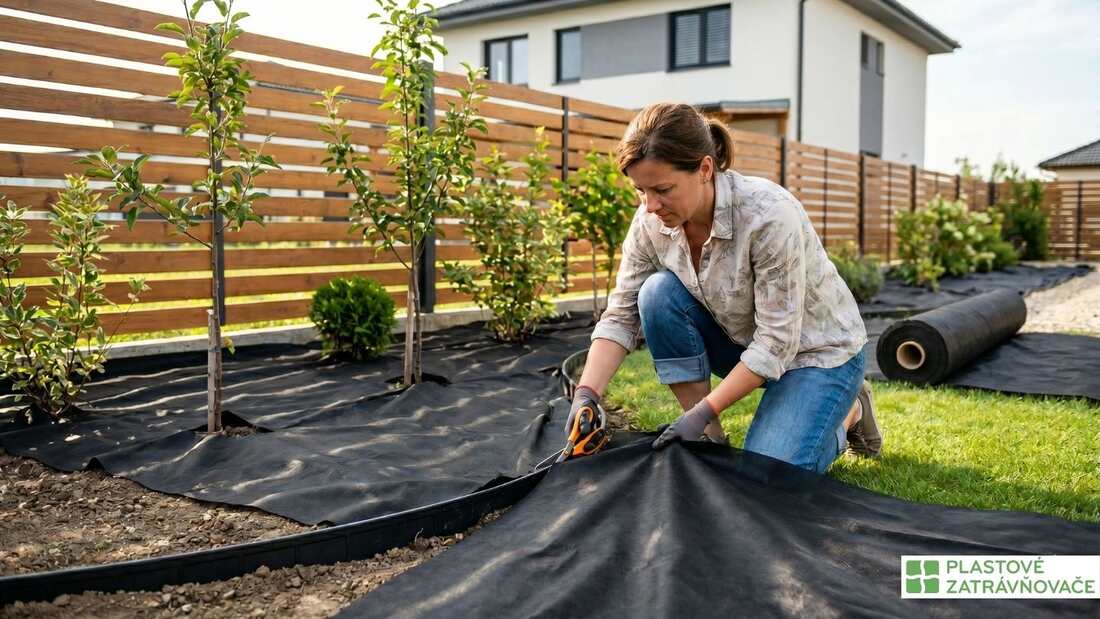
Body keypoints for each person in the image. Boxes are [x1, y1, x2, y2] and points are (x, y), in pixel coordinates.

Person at [567, 102, 882, 474]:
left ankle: (850, 412)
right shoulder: (650, 223)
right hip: (743, 342)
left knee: (767, 474)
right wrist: (586, 394)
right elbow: (621, 315)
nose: (650, 205)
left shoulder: (767, 215)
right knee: (655, 294)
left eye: (663, 189)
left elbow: (776, 343)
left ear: (705, 169)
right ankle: (709, 440)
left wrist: (703, 410)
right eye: (640, 190)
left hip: (818, 354)